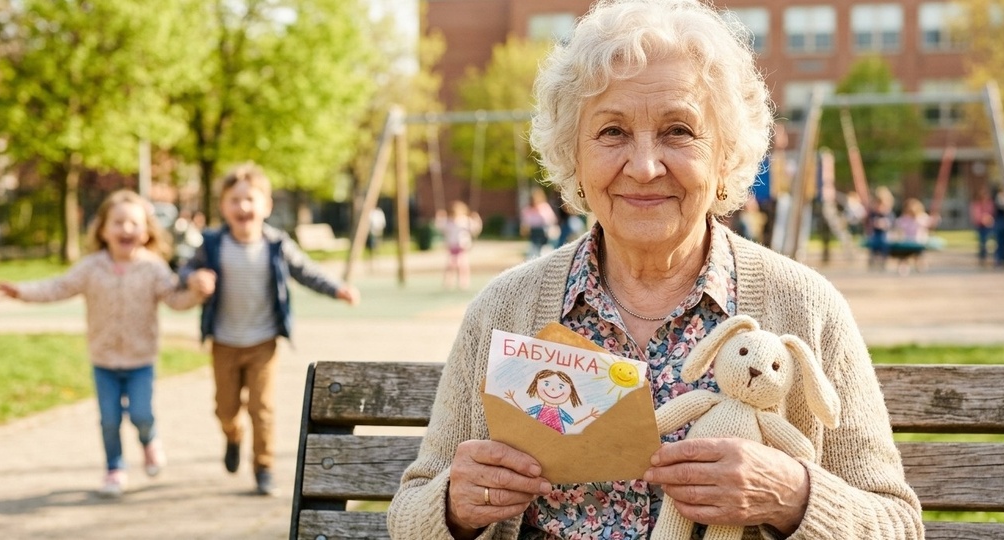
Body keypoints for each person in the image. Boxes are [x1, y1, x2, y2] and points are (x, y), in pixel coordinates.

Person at [386, 1, 923, 538]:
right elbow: (410, 515)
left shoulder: (806, 307)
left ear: (726, 155)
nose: (644, 167)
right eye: (612, 132)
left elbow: (897, 524)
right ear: (574, 156)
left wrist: (790, 496)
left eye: (678, 131)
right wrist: (455, 507)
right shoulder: (503, 310)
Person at [0, 190, 210, 498]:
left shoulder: (153, 268)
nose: (126, 229)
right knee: (109, 420)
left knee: (141, 415)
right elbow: (58, 287)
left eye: (134, 223)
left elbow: (175, 300)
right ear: (103, 230)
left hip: (140, 360)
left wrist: (197, 294)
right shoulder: (91, 267)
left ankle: (149, 440)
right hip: (104, 361)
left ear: (146, 231)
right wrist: (22, 292)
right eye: (118, 222)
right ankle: (115, 468)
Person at [180, 163, 360, 496]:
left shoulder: (276, 243)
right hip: (224, 341)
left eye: (251, 199)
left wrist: (337, 288)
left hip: (263, 341)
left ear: (267, 206)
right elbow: (185, 269)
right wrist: (194, 278)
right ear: (223, 207)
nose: (243, 206)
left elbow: (305, 270)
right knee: (225, 408)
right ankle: (233, 435)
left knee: (262, 407)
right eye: (235, 200)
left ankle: (263, 467)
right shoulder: (213, 243)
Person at [435, 200, 483, 290]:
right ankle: (448, 281)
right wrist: (440, 217)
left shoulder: (465, 221)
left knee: (462, 264)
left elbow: (475, 230)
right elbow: (440, 227)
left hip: (462, 246)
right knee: (450, 264)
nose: (455, 216)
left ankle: (464, 282)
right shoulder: (448, 222)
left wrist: (477, 220)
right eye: (453, 214)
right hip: (452, 246)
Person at [520, 188, 559, 260]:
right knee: (534, 251)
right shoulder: (528, 210)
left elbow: (551, 220)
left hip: (545, 232)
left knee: (545, 250)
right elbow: (525, 224)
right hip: (534, 233)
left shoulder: (544, 207)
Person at [865, 186, 896, 270]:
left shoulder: (888, 214)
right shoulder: (873, 213)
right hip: (875, 234)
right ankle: (873, 257)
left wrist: (884, 224)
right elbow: (869, 223)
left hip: (885, 234)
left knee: (884, 241)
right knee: (874, 241)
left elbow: (892, 224)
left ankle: (883, 259)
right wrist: (873, 224)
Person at [969, 186, 996, 266]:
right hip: (981, 225)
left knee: (992, 239)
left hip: (990, 224)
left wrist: (989, 219)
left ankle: (992, 256)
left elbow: (992, 212)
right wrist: (982, 220)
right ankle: (983, 257)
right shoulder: (976, 204)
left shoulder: (989, 203)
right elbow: (976, 215)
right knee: (983, 241)